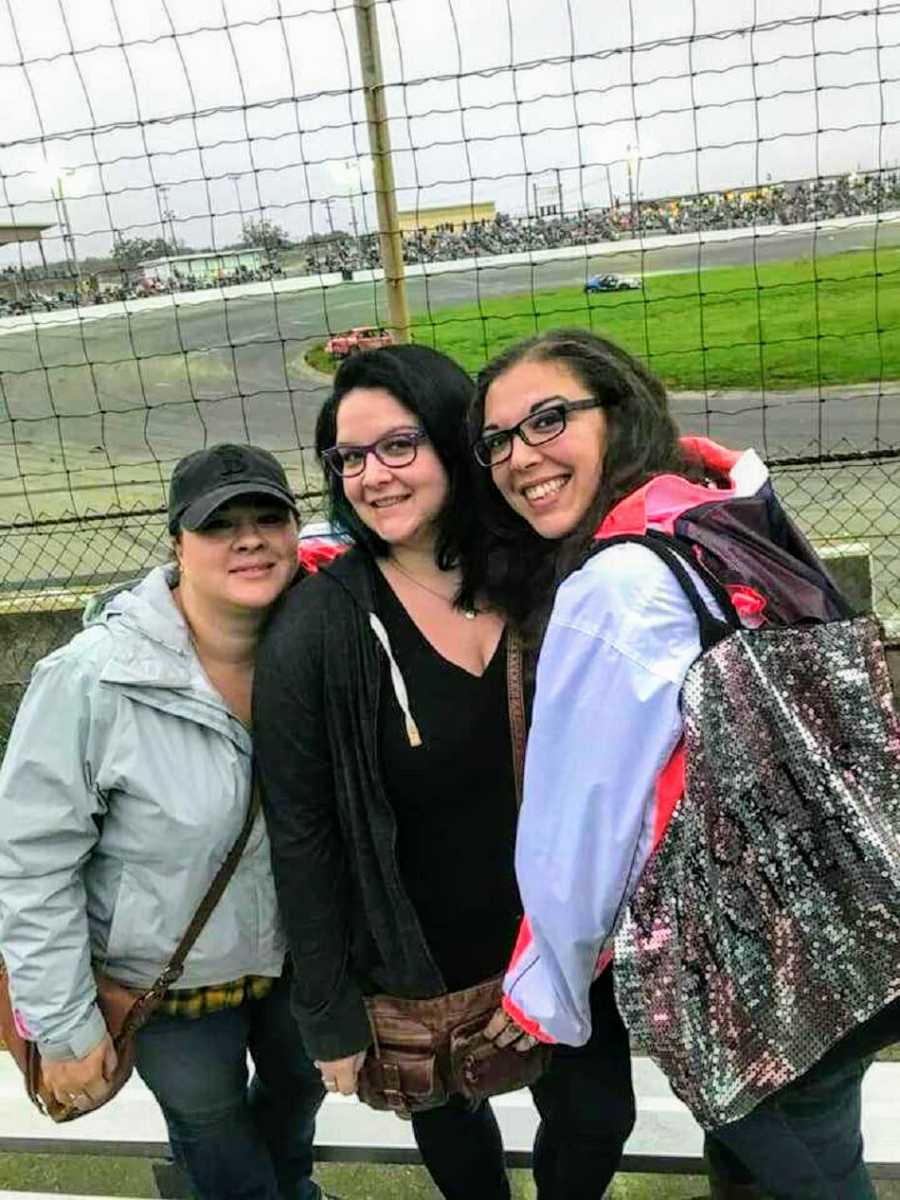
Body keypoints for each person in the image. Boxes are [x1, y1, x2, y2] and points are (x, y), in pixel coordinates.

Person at [470, 327, 890, 1199]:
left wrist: (543, 995)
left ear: (616, 417)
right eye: (498, 440)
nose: (519, 457)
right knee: (774, 1157)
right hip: (846, 924)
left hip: (751, 980)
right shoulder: (719, 516)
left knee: (813, 1173)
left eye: (548, 420)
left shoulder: (614, 591)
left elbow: (582, 835)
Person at [253, 344, 635, 1200]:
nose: (372, 477)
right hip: (417, 957)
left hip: (562, 941)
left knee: (600, 1116)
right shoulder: (318, 629)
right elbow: (303, 830)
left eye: (399, 446)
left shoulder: (546, 575)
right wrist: (328, 1012)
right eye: (348, 458)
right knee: (459, 1140)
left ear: (453, 444)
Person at [0, 444, 331, 1200]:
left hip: (301, 965)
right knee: (213, 1131)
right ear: (177, 544)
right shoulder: (91, 679)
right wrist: (63, 1025)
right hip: (168, 984)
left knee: (296, 1102)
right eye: (220, 525)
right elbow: (29, 864)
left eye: (266, 517)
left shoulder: (324, 647)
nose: (247, 539)